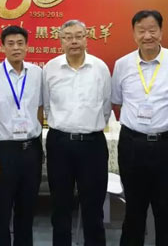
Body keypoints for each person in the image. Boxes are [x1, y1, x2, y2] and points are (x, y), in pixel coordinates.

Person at [111, 9, 168, 246]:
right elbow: (117, 99)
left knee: (164, 207)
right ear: (133, 34)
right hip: (132, 144)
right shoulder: (122, 64)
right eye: (141, 31)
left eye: (152, 30)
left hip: (166, 144)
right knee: (134, 208)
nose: (147, 36)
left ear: (161, 32)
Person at [43, 19, 112, 246]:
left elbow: (106, 106)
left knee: (93, 208)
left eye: (78, 36)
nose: (74, 41)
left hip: (92, 144)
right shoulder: (50, 68)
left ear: (86, 39)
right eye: (68, 37)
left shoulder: (100, 68)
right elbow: (47, 105)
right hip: (59, 143)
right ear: (60, 41)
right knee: (60, 206)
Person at [0, 25, 44, 246]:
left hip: (31, 149)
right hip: (4, 151)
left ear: (27, 46)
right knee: (2, 212)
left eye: (20, 43)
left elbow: (40, 109)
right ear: (3, 47)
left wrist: (38, 145)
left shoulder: (37, 74)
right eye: (11, 44)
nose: (16, 48)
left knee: (27, 211)